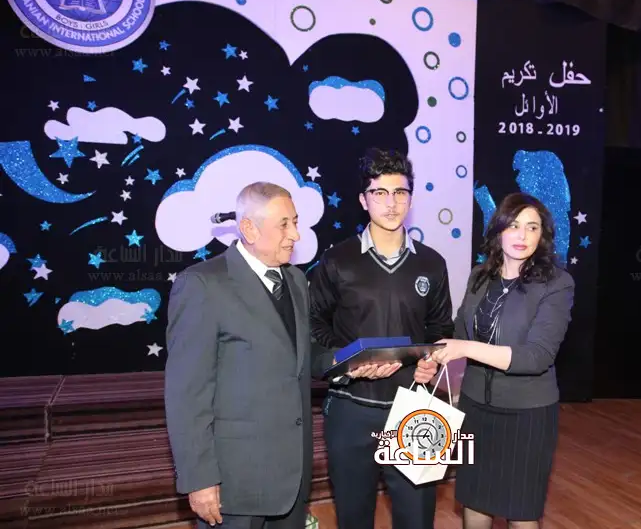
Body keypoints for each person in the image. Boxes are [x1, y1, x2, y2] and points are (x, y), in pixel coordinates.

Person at [165, 182, 333, 529]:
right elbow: (186, 394)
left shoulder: (296, 281)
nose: (296, 234)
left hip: (292, 477)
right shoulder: (202, 285)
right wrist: (199, 478)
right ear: (249, 228)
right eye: (284, 225)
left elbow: (300, 355)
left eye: (295, 222)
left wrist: (349, 364)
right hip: (234, 484)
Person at [309, 148, 454, 529]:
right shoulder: (337, 260)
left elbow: (441, 329)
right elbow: (313, 324)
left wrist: (431, 361)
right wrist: (347, 363)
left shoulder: (432, 263)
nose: (391, 203)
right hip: (350, 409)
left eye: (400, 192)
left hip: (415, 409)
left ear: (411, 198)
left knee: (417, 519)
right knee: (354, 517)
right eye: (380, 193)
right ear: (363, 200)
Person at [431, 193, 574, 529]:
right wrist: (429, 356)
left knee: (521, 510)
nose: (522, 235)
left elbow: (536, 356)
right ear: (498, 230)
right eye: (514, 225)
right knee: (475, 500)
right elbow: (458, 332)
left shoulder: (556, 283)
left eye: (532, 227)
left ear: (542, 235)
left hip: (527, 414)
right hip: (475, 408)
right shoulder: (479, 277)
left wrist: (465, 348)